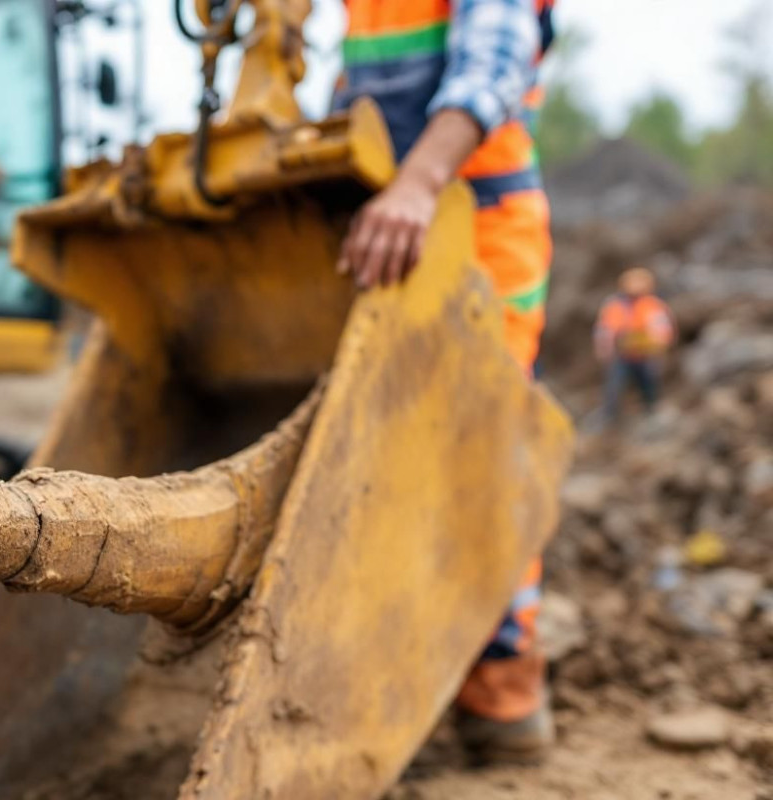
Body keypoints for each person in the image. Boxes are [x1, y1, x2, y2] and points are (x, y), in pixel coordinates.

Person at [333, 0, 558, 765]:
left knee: (476, 460)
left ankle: (501, 701)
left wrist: (416, 184)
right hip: (395, 228)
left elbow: (494, 68)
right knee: (382, 457)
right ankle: (396, 678)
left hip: (479, 227)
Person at [595, 267, 676, 422]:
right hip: (623, 354)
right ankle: (608, 416)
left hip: (646, 354)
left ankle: (652, 412)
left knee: (649, 384)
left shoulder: (652, 305)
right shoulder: (615, 306)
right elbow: (605, 329)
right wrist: (605, 349)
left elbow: (663, 329)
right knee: (614, 386)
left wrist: (660, 346)